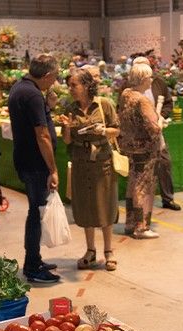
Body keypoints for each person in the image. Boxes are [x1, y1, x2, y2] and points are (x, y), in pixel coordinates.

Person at [6, 54, 62, 284]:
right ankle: (32, 266)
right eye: (54, 78)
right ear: (47, 75)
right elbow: (42, 135)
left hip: (25, 160)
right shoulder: (31, 95)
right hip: (36, 165)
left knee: (35, 212)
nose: (55, 82)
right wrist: (53, 168)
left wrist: (47, 107)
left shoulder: (20, 88)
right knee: (36, 214)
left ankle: (35, 258)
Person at [60, 68, 120, 271]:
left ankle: (109, 251)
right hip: (80, 162)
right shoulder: (70, 107)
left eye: (74, 85)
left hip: (102, 162)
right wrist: (67, 127)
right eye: (69, 86)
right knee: (85, 206)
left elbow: (116, 129)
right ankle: (90, 251)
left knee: (105, 204)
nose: (71, 89)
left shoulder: (104, 105)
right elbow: (67, 140)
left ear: (86, 86)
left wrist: (102, 130)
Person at [118, 63, 161, 241]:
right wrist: (160, 123)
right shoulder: (142, 100)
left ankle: (129, 223)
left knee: (133, 183)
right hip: (145, 148)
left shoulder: (125, 95)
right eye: (149, 77)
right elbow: (154, 127)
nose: (151, 80)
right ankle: (141, 227)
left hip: (130, 147)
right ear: (144, 79)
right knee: (143, 187)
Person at [143, 55, 181, 211]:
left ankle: (168, 198)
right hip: (139, 133)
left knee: (164, 162)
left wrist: (161, 117)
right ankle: (142, 201)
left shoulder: (158, 82)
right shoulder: (128, 86)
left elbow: (167, 103)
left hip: (157, 130)